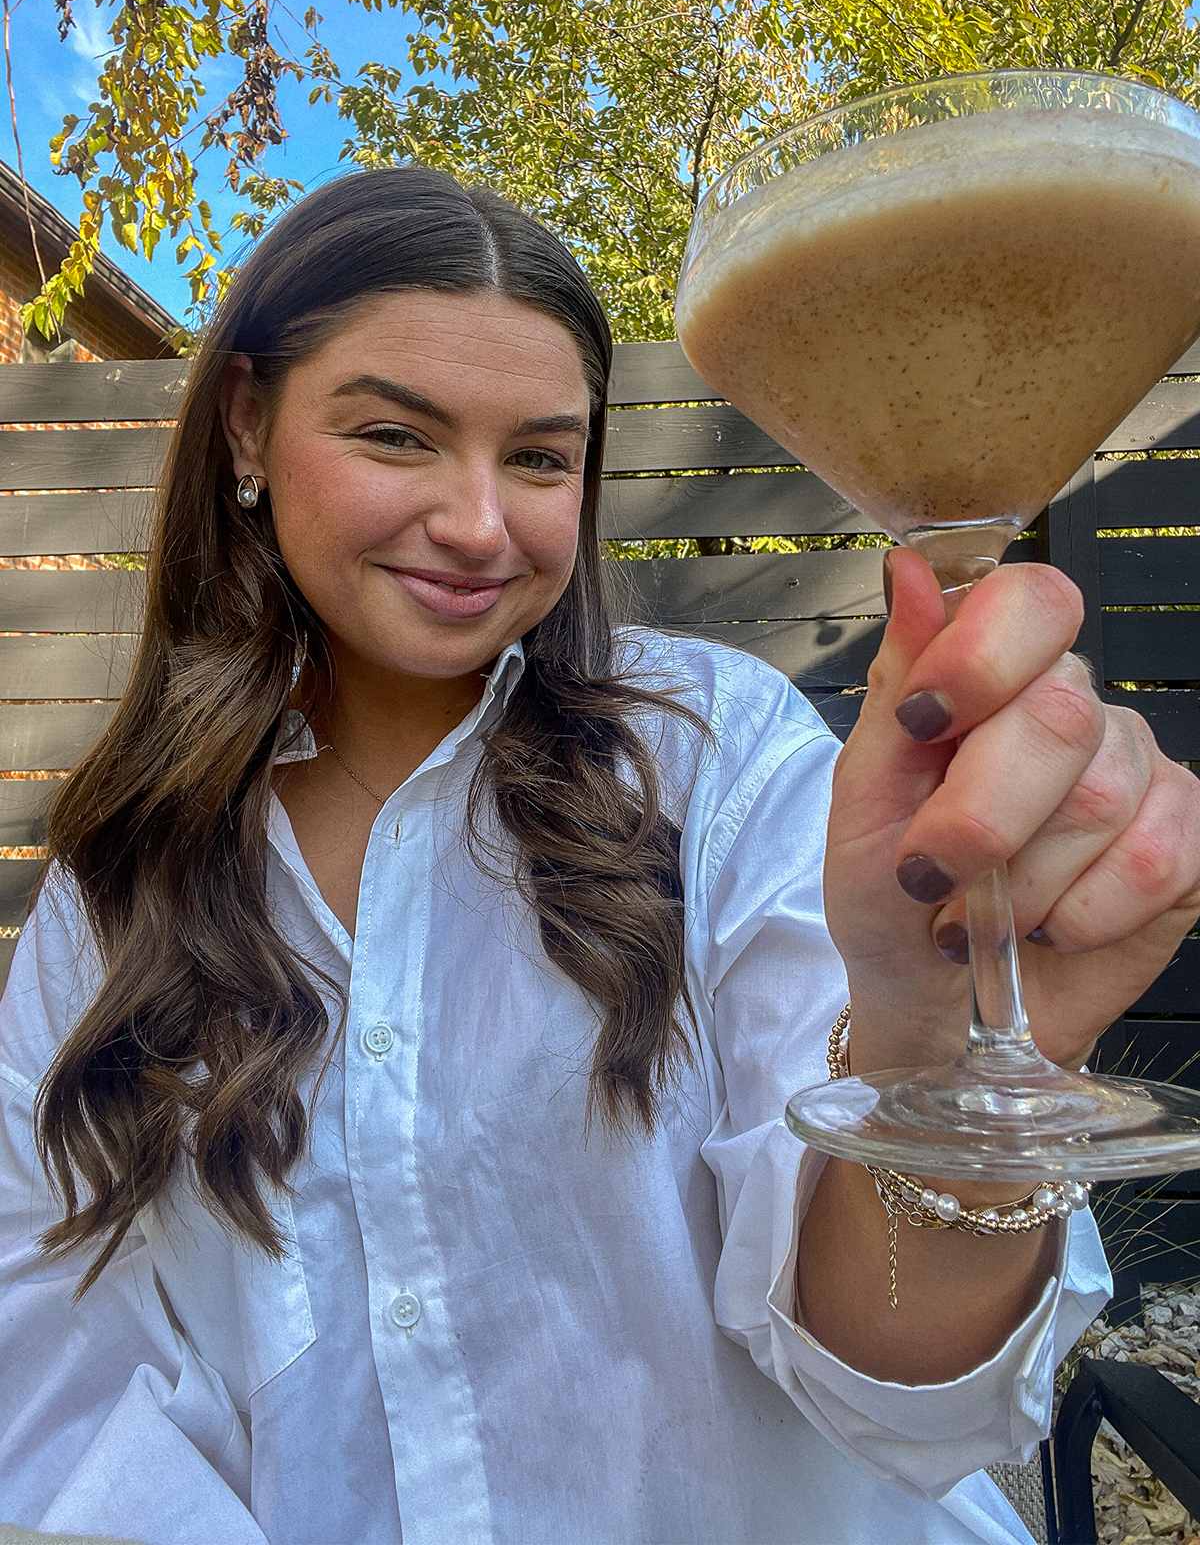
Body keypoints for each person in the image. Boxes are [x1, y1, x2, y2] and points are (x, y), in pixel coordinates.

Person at [1, 168, 1197, 1545]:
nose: (477, 523)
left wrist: (933, 1071)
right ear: (249, 426)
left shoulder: (719, 759)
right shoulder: (112, 896)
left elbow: (906, 1390)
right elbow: (62, 1397)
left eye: (540, 457)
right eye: (397, 435)